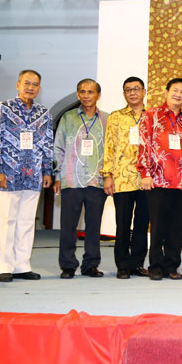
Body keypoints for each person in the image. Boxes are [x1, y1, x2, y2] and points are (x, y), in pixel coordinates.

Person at [0, 69, 53, 282]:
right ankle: (3, 266)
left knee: (26, 221)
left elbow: (47, 144)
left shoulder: (44, 113)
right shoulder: (3, 108)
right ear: (18, 84)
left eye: (35, 84)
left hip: (33, 173)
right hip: (8, 172)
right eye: (27, 83)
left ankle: (22, 265)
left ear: (39, 88)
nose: (30, 87)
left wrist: (47, 170)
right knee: (7, 220)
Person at [137, 78, 182, 281]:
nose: (178, 94)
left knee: (177, 227)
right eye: (175, 90)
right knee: (159, 225)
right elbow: (144, 144)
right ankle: (155, 266)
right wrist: (145, 173)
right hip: (158, 179)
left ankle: (171, 265)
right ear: (166, 91)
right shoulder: (151, 115)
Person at [54, 79, 109, 279]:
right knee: (68, 226)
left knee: (94, 226)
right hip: (71, 179)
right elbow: (58, 147)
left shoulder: (106, 119)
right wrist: (58, 176)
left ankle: (91, 265)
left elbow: (110, 151)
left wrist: (109, 176)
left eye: (90, 92)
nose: (86, 95)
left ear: (98, 95)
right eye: (82, 92)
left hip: (97, 181)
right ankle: (68, 265)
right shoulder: (68, 118)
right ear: (78, 95)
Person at [101, 76, 149, 279]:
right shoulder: (116, 116)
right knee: (122, 223)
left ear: (144, 91)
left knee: (142, 224)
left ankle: (137, 263)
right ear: (124, 94)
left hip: (147, 179)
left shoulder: (153, 116)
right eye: (128, 90)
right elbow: (109, 146)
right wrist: (107, 176)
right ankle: (122, 265)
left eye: (136, 89)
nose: (132, 92)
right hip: (121, 178)